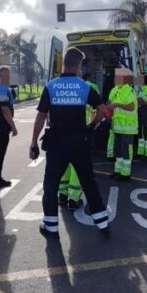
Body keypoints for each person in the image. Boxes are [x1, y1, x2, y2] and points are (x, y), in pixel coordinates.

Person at [30, 48, 109, 240]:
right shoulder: (84, 87)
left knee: (51, 185)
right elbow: (102, 110)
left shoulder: (51, 86)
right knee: (88, 182)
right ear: (78, 65)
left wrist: (33, 142)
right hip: (79, 143)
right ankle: (103, 224)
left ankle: (51, 228)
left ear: (63, 63)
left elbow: (41, 116)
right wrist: (91, 125)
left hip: (57, 144)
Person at [59, 73, 100, 210]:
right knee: (78, 167)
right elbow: (98, 110)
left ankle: (62, 195)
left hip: (63, 133)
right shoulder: (89, 87)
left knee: (64, 165)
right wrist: (92, 125)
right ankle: (73, 198)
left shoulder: (60, 86)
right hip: (80, 133)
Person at [106, 68, 138, 180]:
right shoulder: (115, 90)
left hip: (128, 127)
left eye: (117, 77)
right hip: (118, 126)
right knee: (118, 150)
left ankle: (126, 173)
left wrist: (116, 105)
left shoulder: (129, 90)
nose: (115, 79)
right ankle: (118, 171)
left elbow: (131, 107)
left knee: (126, 150)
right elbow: (109, 103)